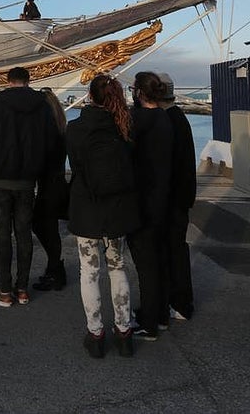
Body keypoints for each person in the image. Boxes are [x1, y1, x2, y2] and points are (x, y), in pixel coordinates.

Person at [66, 74, 140, 358]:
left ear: (90, 96)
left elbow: (75, 165)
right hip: (117, 208)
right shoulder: (125, 127)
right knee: (118, 268)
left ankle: (96, 334)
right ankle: (124, 332)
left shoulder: (75, 129)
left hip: (87, 205)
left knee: (89, 272)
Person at [0, 66, 60, 307]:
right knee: (24, 233)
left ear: (9, 81)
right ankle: (22, 288)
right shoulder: (42, 105)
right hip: (27, 178)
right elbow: (50, 140)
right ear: (28, 80)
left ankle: (4, 289)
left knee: (2, 234)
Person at [127, 72, 174, 340]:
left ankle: (149, 322)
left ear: (140, 93)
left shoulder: (138, 120)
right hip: (161, 196)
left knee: (145, 263)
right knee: (158, 258)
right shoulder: (164, 118)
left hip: (142, 199)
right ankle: (160, 312)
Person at [158, 71, 197, 323]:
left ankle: (179, 302)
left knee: (172, 250)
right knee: (175, 248)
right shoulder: (177, 117)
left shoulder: (168, 121)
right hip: (179, 195)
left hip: (171, 198)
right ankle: (177, 300)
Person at [31, 88, 69, 291]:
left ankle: (55, 269)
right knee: (48, 227)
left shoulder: (47, 132)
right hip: (57, 182)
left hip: (49, 185)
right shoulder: (60, 128)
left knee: (42, 225)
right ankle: (55, 268)